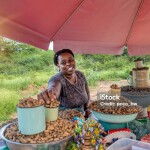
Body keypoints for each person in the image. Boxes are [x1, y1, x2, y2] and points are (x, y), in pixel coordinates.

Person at [37, 49, 91, 117]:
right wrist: (51, 93)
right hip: (65, 122)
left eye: (70, 60)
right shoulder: (57, 79)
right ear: (58, 65)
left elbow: (88, 93)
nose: (68, 63)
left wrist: (87, 109)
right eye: (63, 62)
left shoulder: (80, 75)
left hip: (82, 117)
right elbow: (54, 87)